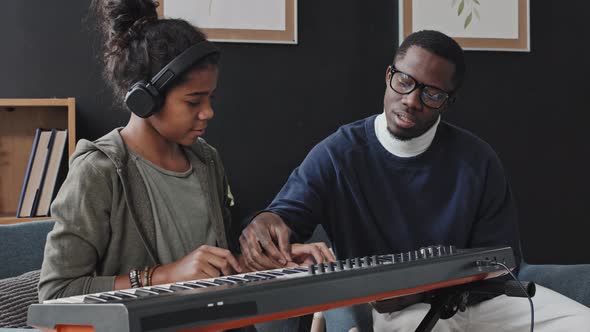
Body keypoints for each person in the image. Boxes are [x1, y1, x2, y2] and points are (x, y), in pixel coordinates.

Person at [239, 30, 590, 331]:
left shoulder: (477, 159)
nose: (410, 100)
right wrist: (264, 222)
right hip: (399, 311)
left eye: (431, 93)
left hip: (482, 302)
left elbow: (503, 260)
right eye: (404, 81)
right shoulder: (339, 154)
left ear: (447, 102)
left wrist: (430, 283)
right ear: (389, 74)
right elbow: (285, 216)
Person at [38, 0, 332, 304]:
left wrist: (275, 262)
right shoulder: (99, 172)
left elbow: (212, 269)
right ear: (144, 100)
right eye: (194, 101)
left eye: (210, 98)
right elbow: (56, 293)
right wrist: (162, 276)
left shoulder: (205, 160)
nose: (208, 112)